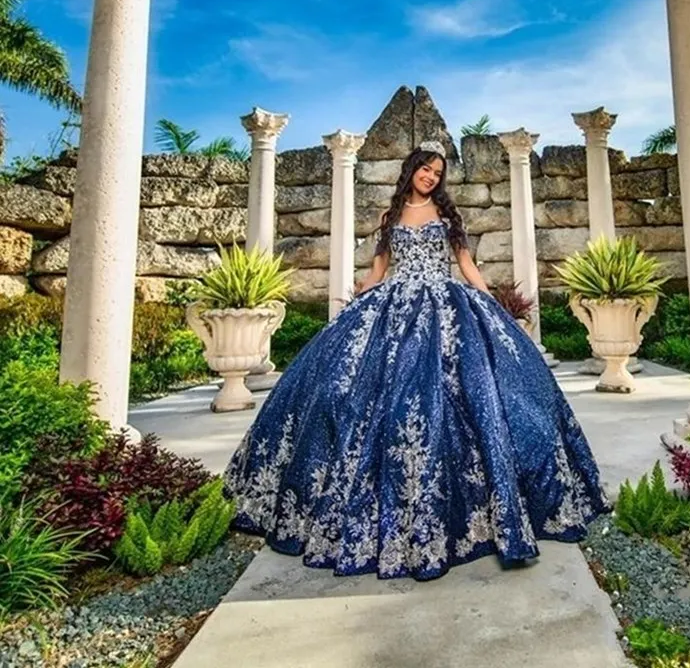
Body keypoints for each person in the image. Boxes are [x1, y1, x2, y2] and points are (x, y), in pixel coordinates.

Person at [223, 140, 611, 581]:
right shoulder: (389, 219)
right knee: (343, 391)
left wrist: (492, 307)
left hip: (446, 307)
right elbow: (378, 272)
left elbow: (466, 266)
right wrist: (355, 301)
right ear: (412, 170)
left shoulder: (448, 218)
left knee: (475, 394)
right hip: (392, 304)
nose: (431, 177)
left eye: (437, 173)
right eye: (426, 170)